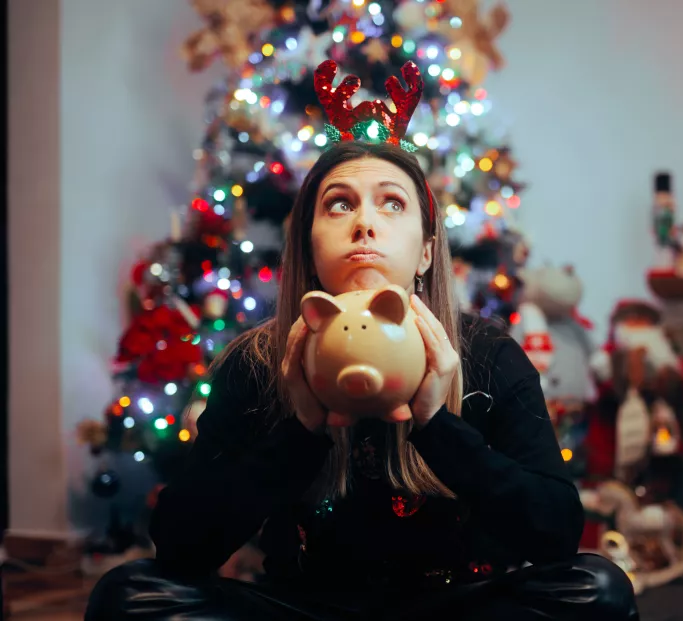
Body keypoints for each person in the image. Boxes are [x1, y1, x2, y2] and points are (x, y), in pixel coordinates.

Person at [84, 61, 638, 621]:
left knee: (598, 590)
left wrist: (437, 427)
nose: (364, 224)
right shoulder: (256, 364)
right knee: (130, 596)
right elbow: (180, 544)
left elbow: (556, 533)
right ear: (310, 246)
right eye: (339, 203)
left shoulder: (486, 356)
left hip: (455, 610)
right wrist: (300, 431)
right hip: (305, 607)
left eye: (392, 203)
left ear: (426, 251)